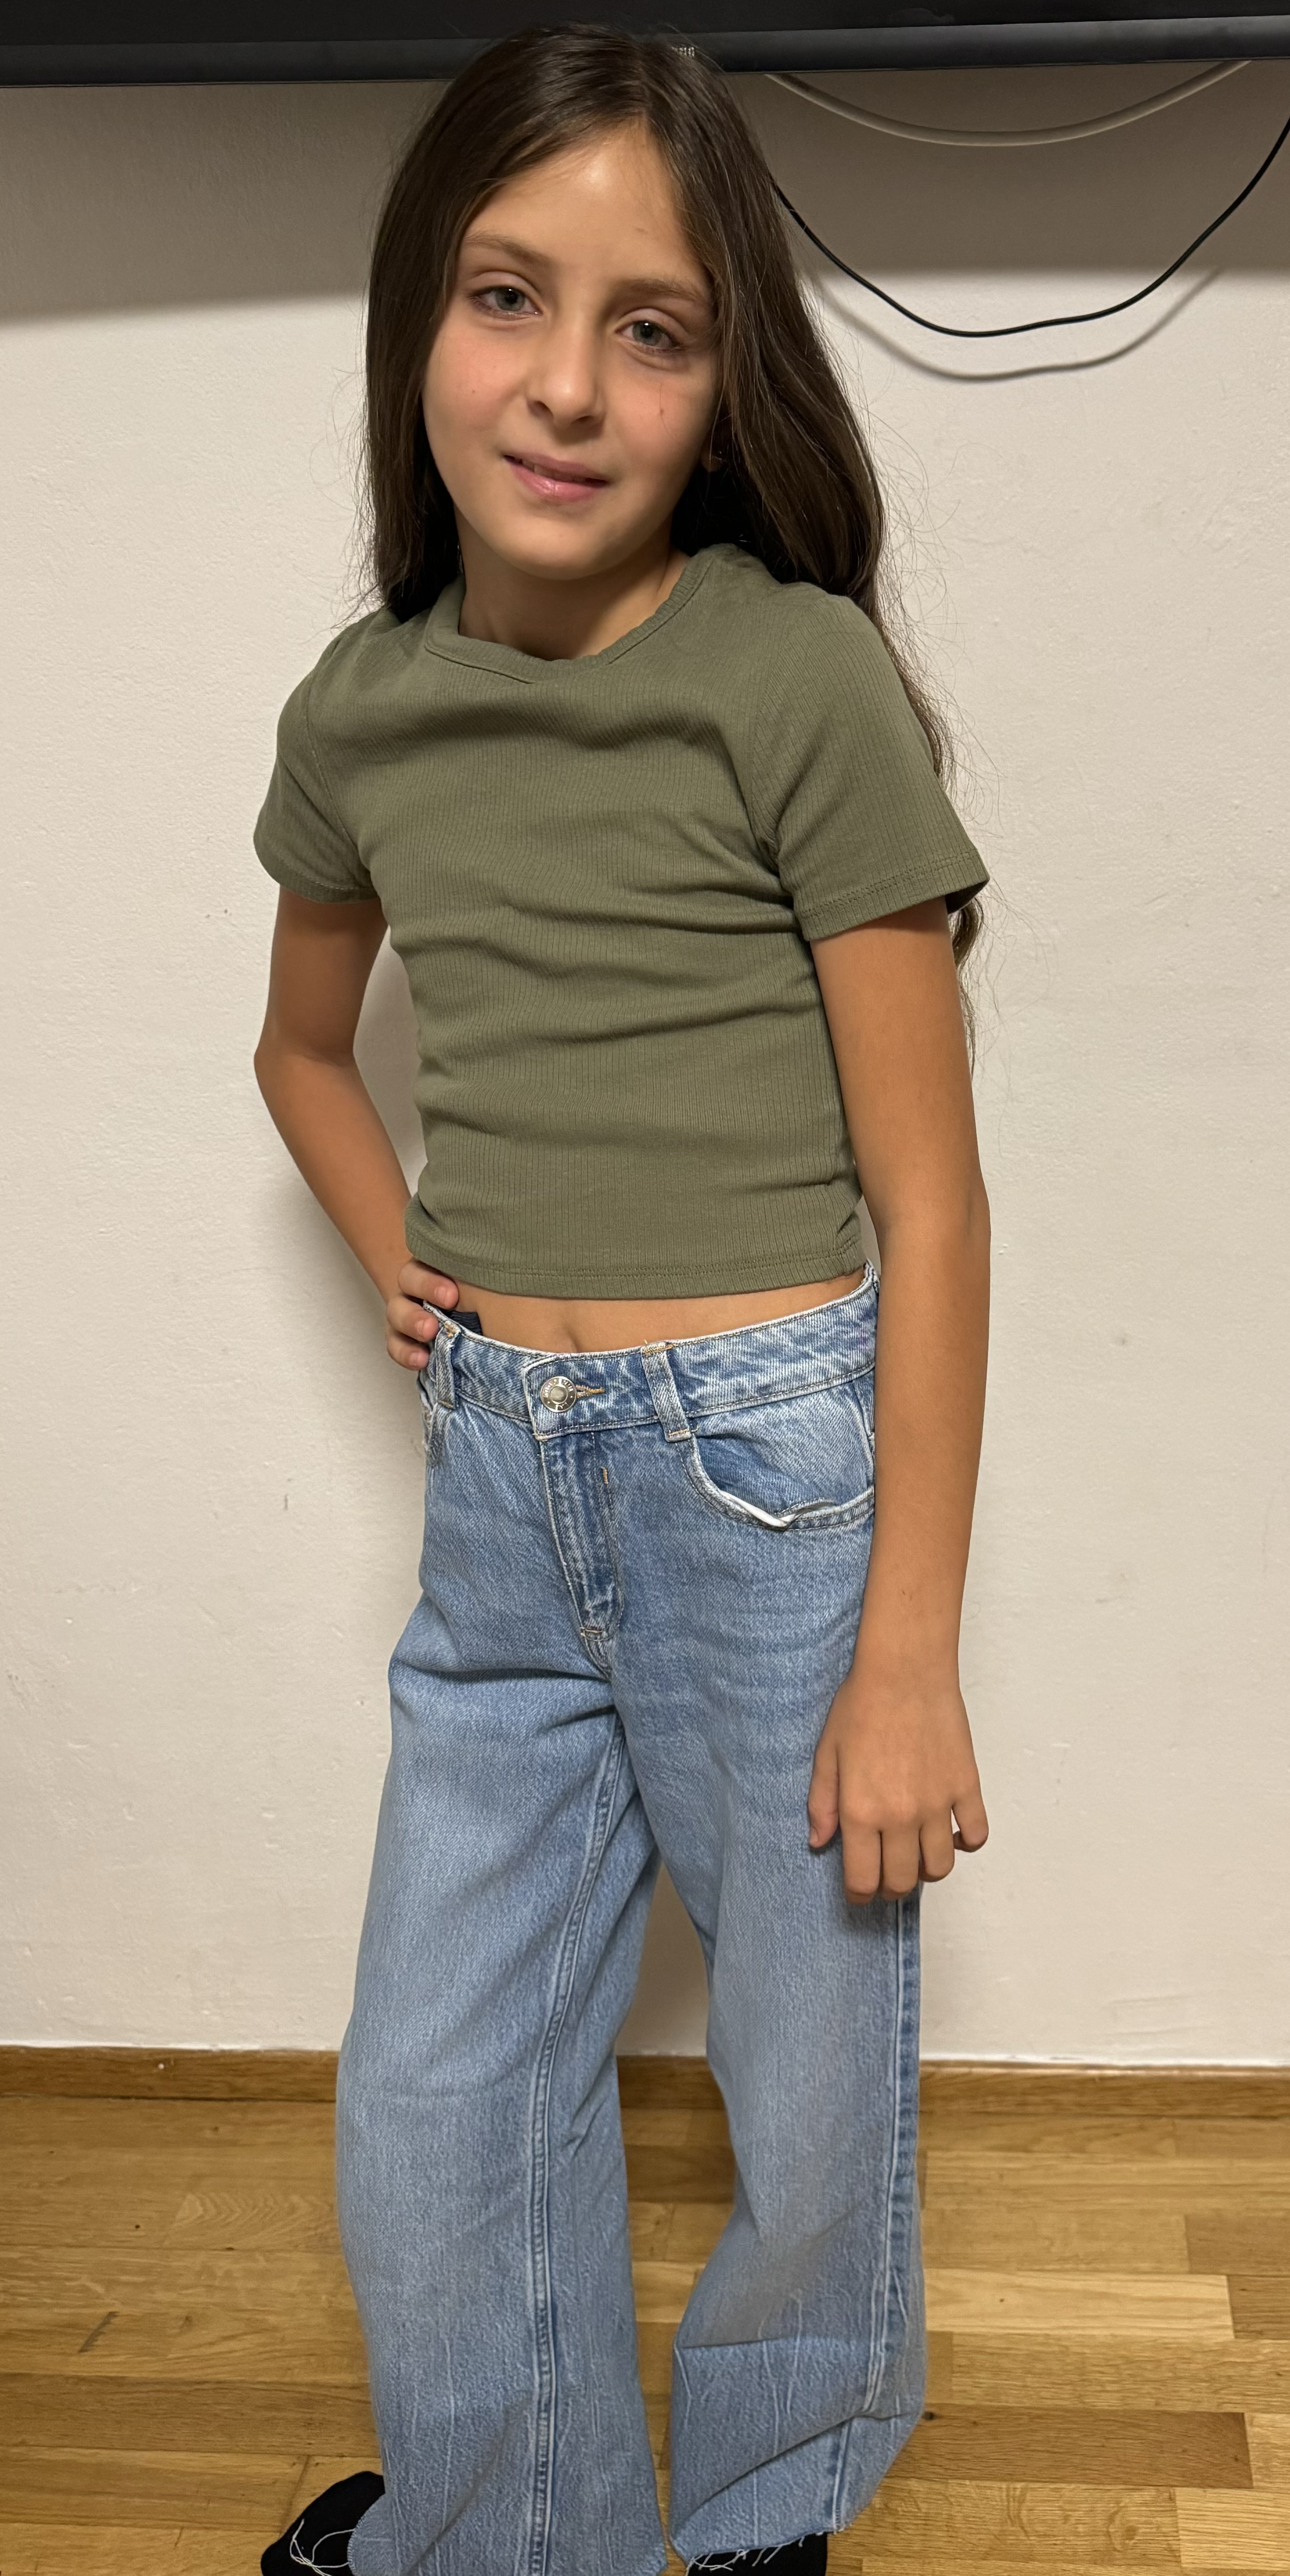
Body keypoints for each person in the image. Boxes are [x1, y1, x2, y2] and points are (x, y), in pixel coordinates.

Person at [251, 24, 991, 2576]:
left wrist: (910, 1649)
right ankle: (511, 2526)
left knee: (808, 2063)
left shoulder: (788, 678)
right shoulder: (365, 710)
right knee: (433, 2089)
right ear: (416, 321)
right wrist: (403, 1258)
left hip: (767, 1480)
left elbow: (934, 1194)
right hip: (503, 1484)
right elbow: (300, 1048)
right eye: (506, 295)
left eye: (650, 327)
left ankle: (772, 2500)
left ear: (721, 379)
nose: (566, 383)